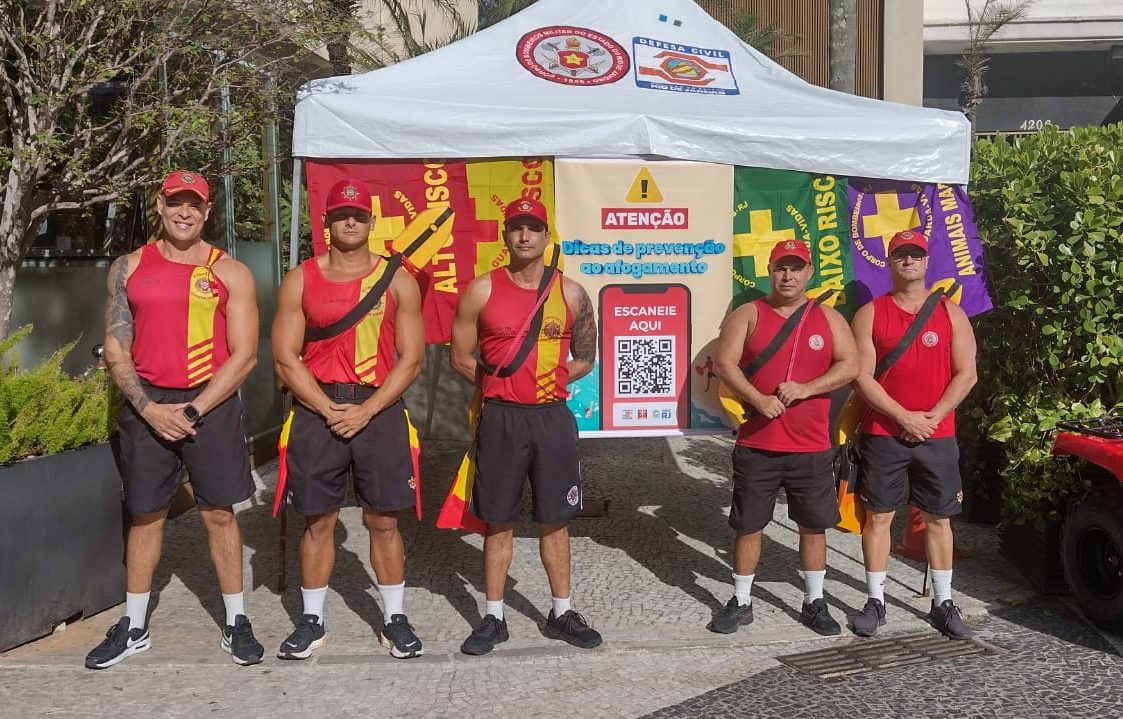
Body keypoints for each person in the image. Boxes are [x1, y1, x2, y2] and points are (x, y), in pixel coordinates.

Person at [87, 170, 263, 669]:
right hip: (147, 406)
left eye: (194, 204)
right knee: (145, 514)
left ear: (207, 213)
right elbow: (116, 343)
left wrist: (191, 410)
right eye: (175, 202)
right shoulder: (128, 266)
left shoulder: (230, 271)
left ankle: (235, 622)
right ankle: (135, 625)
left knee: (218, 513)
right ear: (160, 206)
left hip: (211, 404)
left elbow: (246, 355)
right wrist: (147, 408)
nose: (184, 212)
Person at [271, 178, 425, 660]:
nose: (350, 221)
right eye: (341, 214)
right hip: (319, 409)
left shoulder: (399, 279)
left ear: (371, 222)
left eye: (358, 215)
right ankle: (312, 621)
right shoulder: (300, 278)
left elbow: (411, 358)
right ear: (327, 222)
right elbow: (284, 357)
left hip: (377, 409)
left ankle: (394, 617)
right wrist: (324, 405)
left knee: (384, 520)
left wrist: (367, 409)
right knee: (318, 519)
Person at [449, 197, 600, 656]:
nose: (524, 236)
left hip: (552, 418)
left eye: (533, 228)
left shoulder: (572, 293)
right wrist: (499, 385)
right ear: (505, 235)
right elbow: (459, 356)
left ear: (546, 236)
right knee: (498, 519)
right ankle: (493, 617)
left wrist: (554, 378)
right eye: (516, 227)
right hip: (501, 420)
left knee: (555, 519)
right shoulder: (481, 290)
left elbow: (586, 357)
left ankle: (561, 611)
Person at [709, 239, 858, 636]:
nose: (787, 275)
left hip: (810, 446)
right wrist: (757, 398)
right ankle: (740, 601)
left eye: (796, 268)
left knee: (813, 526)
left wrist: (808, 388)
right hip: (758, 443)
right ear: (769, 270)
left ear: (809, 273)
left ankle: (815, 601)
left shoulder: (828, 318)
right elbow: (723, 363)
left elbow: (851, 365)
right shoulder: (749, 313)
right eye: (780, 267)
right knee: (748, 525)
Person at [849, 230, 978, 639]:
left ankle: (943, 603)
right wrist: (903, 416)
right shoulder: (870, 313)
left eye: (915, 255)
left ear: (926, 262)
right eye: (900, 255)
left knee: (939, 519)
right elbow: (860, 377)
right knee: (880, 516)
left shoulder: (950, 312)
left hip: (937, 435)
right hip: (884, 431)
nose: (909, 261)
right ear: (890, 262)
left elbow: (967, 373)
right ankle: (875, 601)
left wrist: (933, 416)